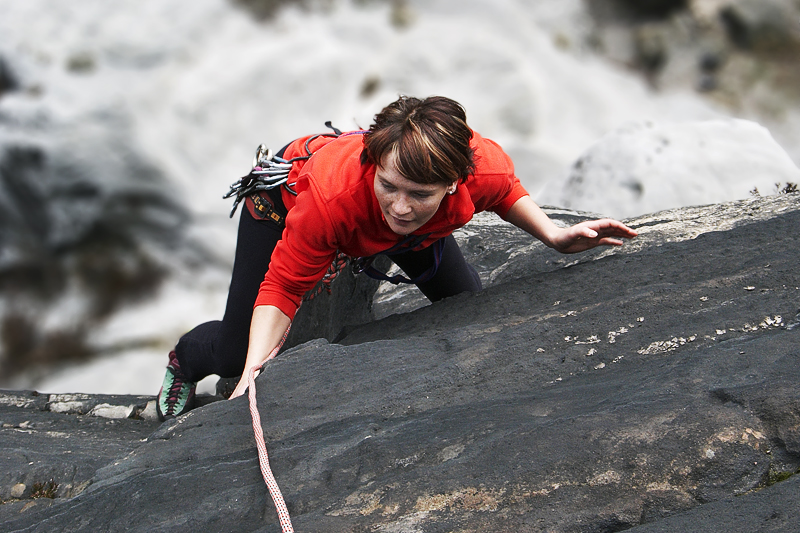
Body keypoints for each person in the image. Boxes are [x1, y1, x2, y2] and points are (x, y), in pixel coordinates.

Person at [156, 95, 638, 420]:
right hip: (283, 209)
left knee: (467, 303)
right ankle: (186, 359)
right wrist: (252, 373)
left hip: (409, 236)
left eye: (420, 193)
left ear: (454, 183)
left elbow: (505, 189)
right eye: (389, 185)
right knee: (237, 355)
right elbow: (282, 288)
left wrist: (554, 236)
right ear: (373, 165)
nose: (401, 206)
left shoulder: (479, 166)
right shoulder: (332, 198)